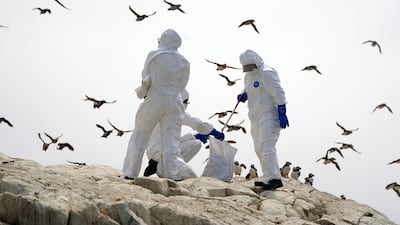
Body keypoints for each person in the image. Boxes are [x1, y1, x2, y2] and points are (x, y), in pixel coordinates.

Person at [122, 29, 190, 180]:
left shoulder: (154, 55)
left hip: (155, 97)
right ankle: (171, 175)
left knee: (140, 134)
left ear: (164, 40)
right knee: (171, 140)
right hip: (175, 101)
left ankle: (130, 172)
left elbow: (145, 75)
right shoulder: (185, 61)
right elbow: (183, 83)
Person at [236, 49, 289, 190]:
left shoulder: (267, 72)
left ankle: (274, 178)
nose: (249, 70)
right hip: (254, 116)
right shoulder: (248, 76)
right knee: (258, 148)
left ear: (256, 62)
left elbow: (278, 91)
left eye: (250, 66)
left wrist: (282, 111)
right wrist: (243, 94)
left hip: (269, 114)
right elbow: (248, 89)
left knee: (266, 145)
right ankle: (268, 176)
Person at [143, 89, 225, 179]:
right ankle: (159, 167)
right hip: (159, 152)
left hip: (165, 149)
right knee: (190, 176)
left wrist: (194, 136)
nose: (185, 104)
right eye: (185, 101)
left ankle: (170, 166)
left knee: (196, 143)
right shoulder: (173, 112)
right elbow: (197, 123)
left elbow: (174, 141)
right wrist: (213, 131)